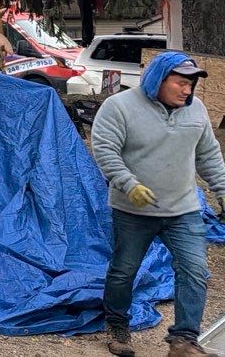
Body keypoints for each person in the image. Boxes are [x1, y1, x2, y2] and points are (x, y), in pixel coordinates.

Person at [91, 51, 225, 356]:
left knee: (194, 270)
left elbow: (208, 156)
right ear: (157, 81)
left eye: (191, 84)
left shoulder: (197, 111)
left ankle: (183, 341)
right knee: (125, 270)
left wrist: (223, 189)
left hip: (183, 209)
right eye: (180, 83)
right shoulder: (120, 107)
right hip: (133, 210)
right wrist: (128, 184)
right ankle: (117, 326)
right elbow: (104, 149)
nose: (187, 90)